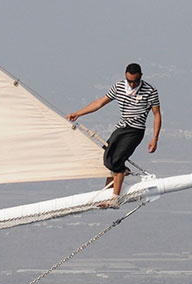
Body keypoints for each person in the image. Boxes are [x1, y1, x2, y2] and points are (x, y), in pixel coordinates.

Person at [66, 63, 161, 207]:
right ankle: (109, 191)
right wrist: (78, 113)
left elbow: (157, 115)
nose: (132, 84)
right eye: (129, 80)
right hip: (121, 128)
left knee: (116, 161)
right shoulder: (119, 87)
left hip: (135, 130)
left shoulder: (150, 90)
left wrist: (154, 138)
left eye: (135, 81)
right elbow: (99, 103)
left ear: (141, 76)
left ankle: (115, 199)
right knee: (107, 156)